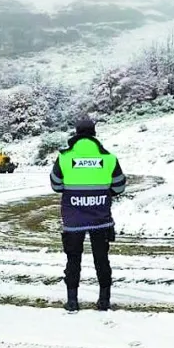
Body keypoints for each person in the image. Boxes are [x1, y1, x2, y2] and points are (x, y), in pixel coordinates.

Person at [50, 116, 126, 312]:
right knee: (101, 258)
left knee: (73, 259)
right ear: (94, 134)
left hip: (73, 220)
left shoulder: (65, 158)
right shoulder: (108, 158)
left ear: (76, 134)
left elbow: (56, 185)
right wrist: (103, 192)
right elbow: (119, 186)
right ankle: (104, 301)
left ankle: (73, 301)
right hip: (100, 219)